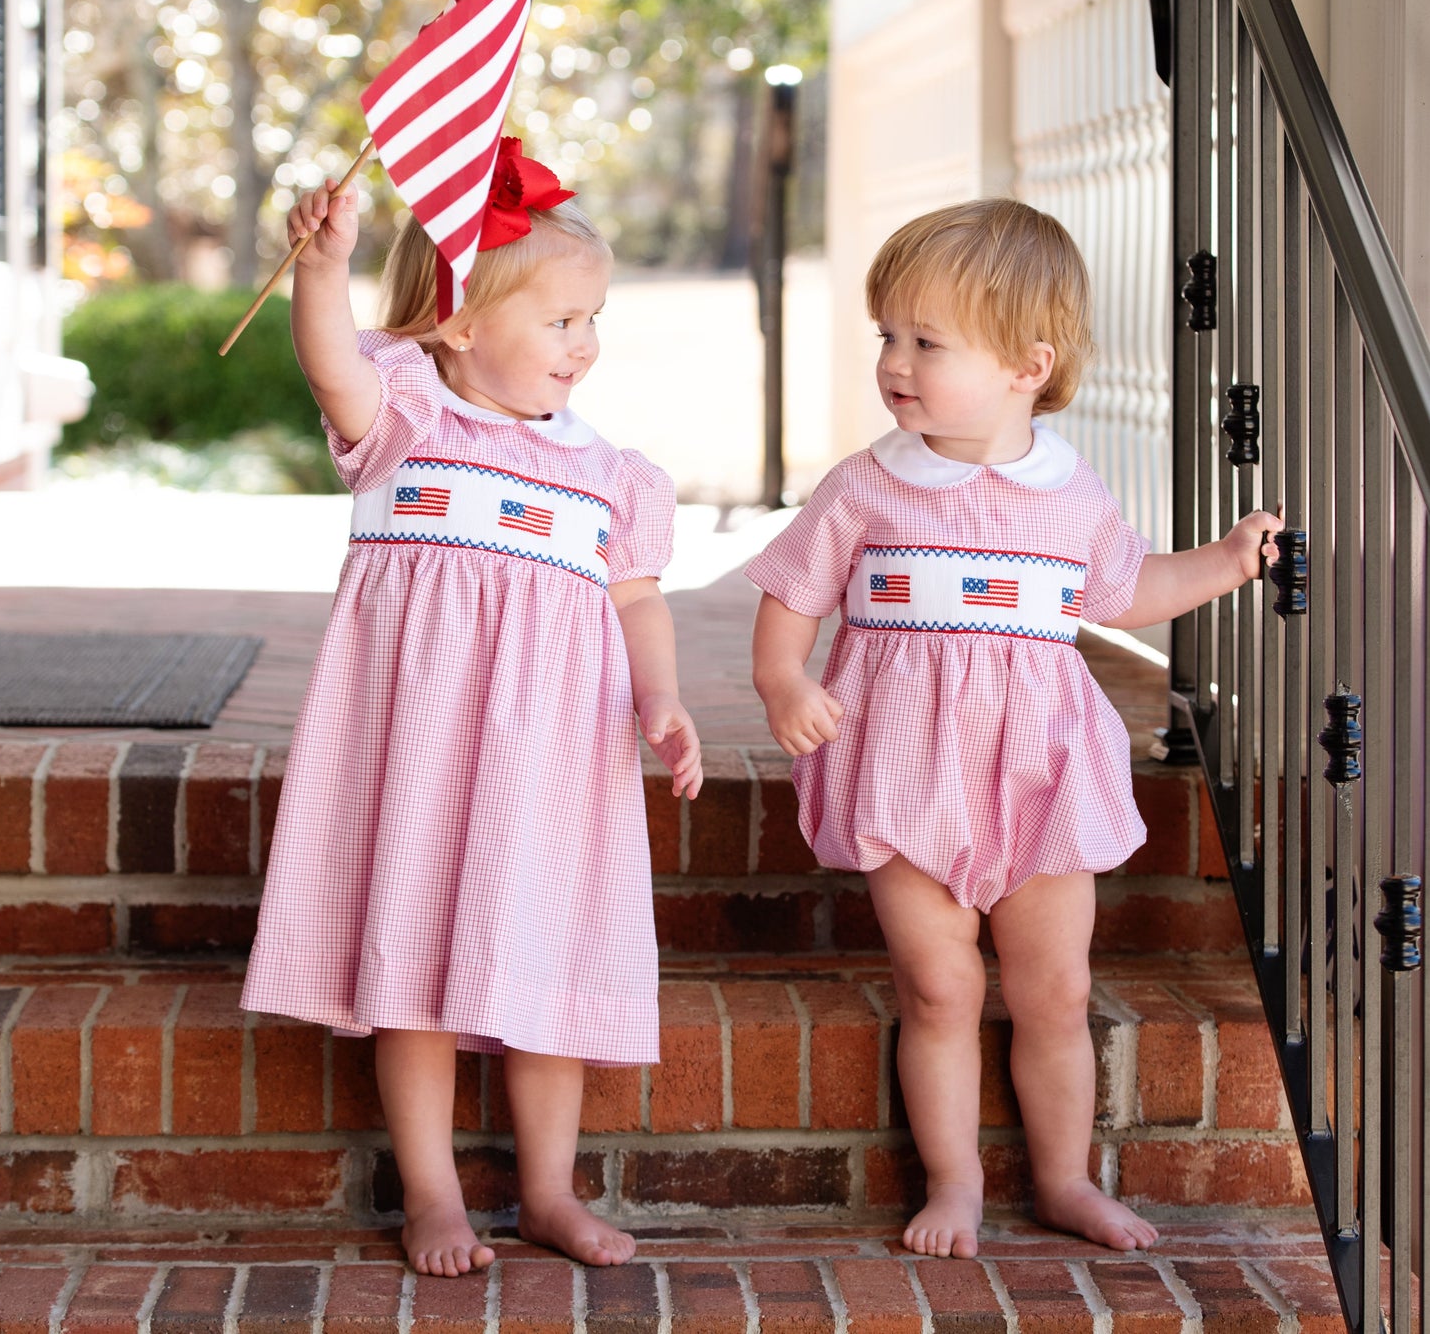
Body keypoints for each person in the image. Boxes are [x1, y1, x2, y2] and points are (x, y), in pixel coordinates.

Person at [745, 199, 1278, 1259]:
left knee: (1054, 988)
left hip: (1035, 768)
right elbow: (790, 596)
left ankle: (1064, 1179)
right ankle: (952, 1184)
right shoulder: (868, 485)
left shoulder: (1067, 489)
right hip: (903, 765)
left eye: (925, 342)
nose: (894, 362)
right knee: (939, 984)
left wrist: (1218, 562)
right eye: (886, 336)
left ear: (1025, 365)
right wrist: (780, 684)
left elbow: (1121, 591)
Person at [241, 142, 703, 1277]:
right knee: (414, 965)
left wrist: (664, 697)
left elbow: (634, 599)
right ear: (454, 324)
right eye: (557, 322)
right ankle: (433, 1196)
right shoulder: (404, 415)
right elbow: (329, 366)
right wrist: (322, 267)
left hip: (553, 757)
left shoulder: (609, 471)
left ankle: (546, 1190)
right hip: (418, 746)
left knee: (543, 961)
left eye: (591, 320)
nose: (583, 346)